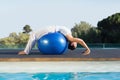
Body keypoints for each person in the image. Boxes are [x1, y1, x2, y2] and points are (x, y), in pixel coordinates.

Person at [18, 26, 90, 55]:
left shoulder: (69, 38)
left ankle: (26, 51)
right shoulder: (68, 36)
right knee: (34, 36)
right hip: (52, 29)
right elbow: (80, 40)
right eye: (76, 44)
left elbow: (81, 40)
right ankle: (26, 51)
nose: (76, 42)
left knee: (33, 36)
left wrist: (87, 49)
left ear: (72, 44)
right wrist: (87, 49)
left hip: (51, 30)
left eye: (76, 44)